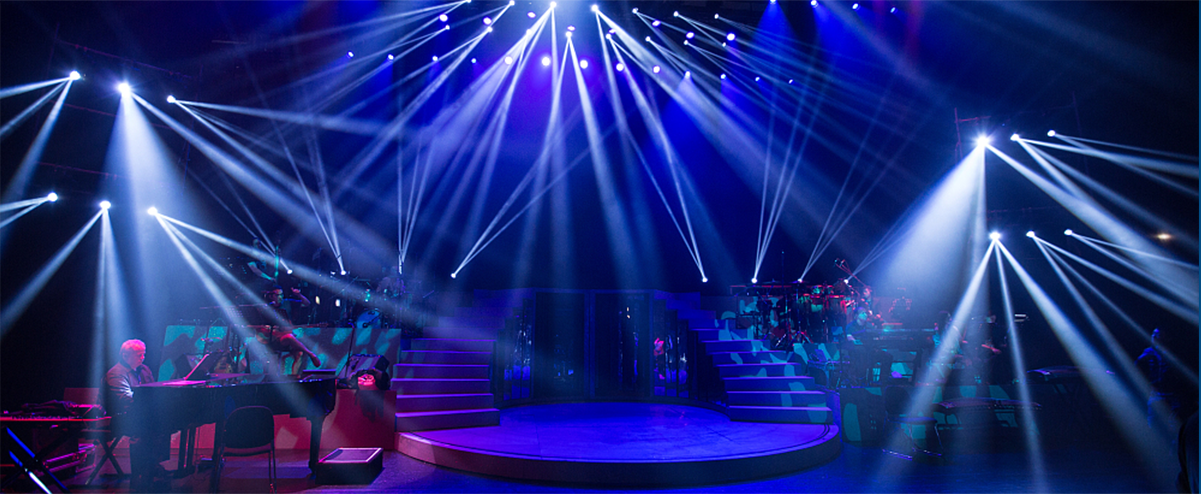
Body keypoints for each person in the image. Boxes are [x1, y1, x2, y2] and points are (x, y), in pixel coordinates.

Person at [104, 339, 168, 492]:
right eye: (139, 355)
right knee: (145, 428)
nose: (142, 358)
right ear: (125, 356)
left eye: (143, 354)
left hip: (138, 415)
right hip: (118, 416)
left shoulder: (144, 369)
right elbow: (125, 399)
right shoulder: (116, 373)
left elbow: (153, 391)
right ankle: (140, 476)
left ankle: (152, 467)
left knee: (163, 423)